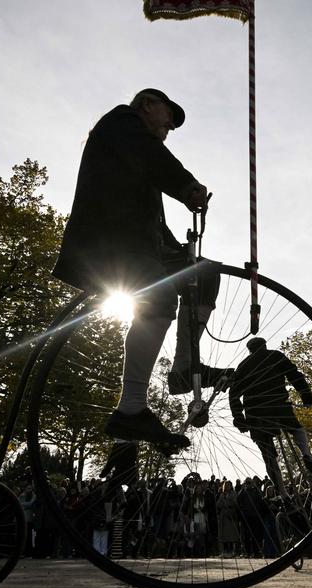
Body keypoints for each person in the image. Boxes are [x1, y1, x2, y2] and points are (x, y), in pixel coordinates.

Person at [53, 88, 224, 450]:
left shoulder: (136, 160)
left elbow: (154, 225)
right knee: (159, 297)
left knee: (204, 271)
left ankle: (183, 367)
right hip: (108, 242)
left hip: (140, 244)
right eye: (168, 116)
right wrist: (186, 186)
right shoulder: (121, 124)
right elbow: (154, 158)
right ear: (147, 105)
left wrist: (182, 256)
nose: (170, 127)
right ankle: (131, 409)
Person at [229, 337, 312, 479]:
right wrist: (306, 396)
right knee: (297, 429)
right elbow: (295, 375)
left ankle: (281, 491)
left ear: (249, 350)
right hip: (278, 405)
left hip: (255, 413)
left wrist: (239, 418)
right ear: (264, 346)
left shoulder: (243, 365)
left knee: (268, 455)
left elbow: (233, 394)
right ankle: (306, 456)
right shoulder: (275, 355)